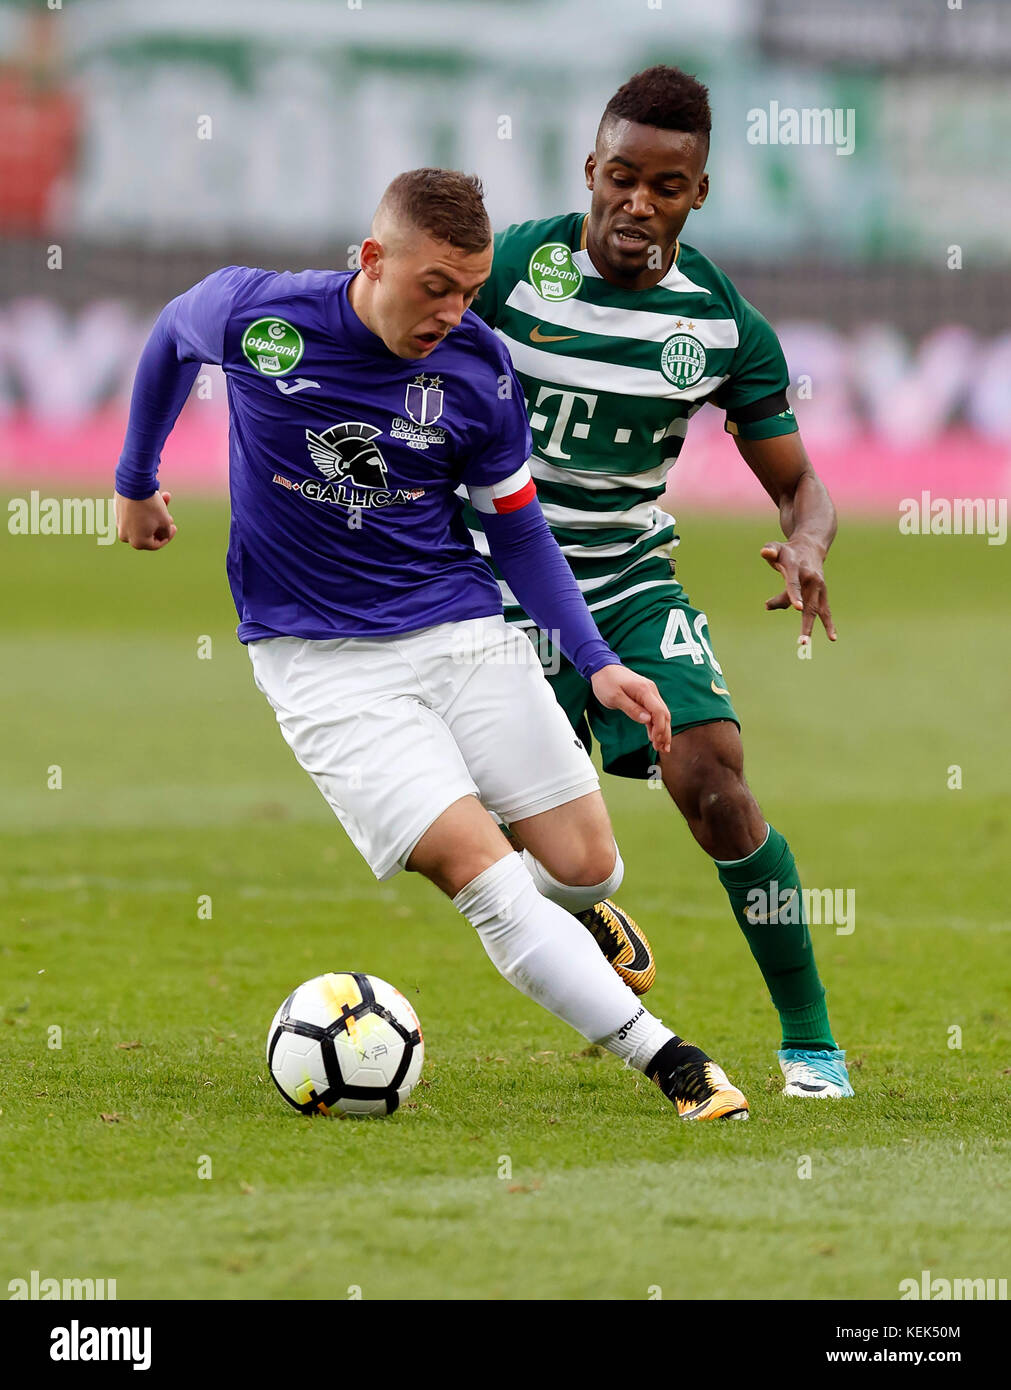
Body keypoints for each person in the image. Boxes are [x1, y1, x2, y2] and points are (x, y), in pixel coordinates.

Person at [114, 167, 750, 1120]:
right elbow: (170, 333)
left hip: (460, 631)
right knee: (484, 880)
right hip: (322, 666)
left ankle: (579, 912)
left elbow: (519, 529)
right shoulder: (260, 316)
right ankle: (675, 1065)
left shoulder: (478, 369)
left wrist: (596, 659)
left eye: (468, 288)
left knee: (586, 867)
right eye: (435, 287)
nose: (453, 310)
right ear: (373, 260)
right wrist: (135, 477)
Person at [465, 68, 853, 1098]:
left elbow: (801, 483)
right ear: (591, 171)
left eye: (666, 186)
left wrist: (806, 541)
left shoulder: (720, 325)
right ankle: (586, 907)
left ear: (699, 194)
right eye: (622, 178)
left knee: (716, 782)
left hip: (631, 580)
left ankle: (811, 1043)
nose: (639, 203)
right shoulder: (508, 271)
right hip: (497, 590)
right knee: (505, 840)